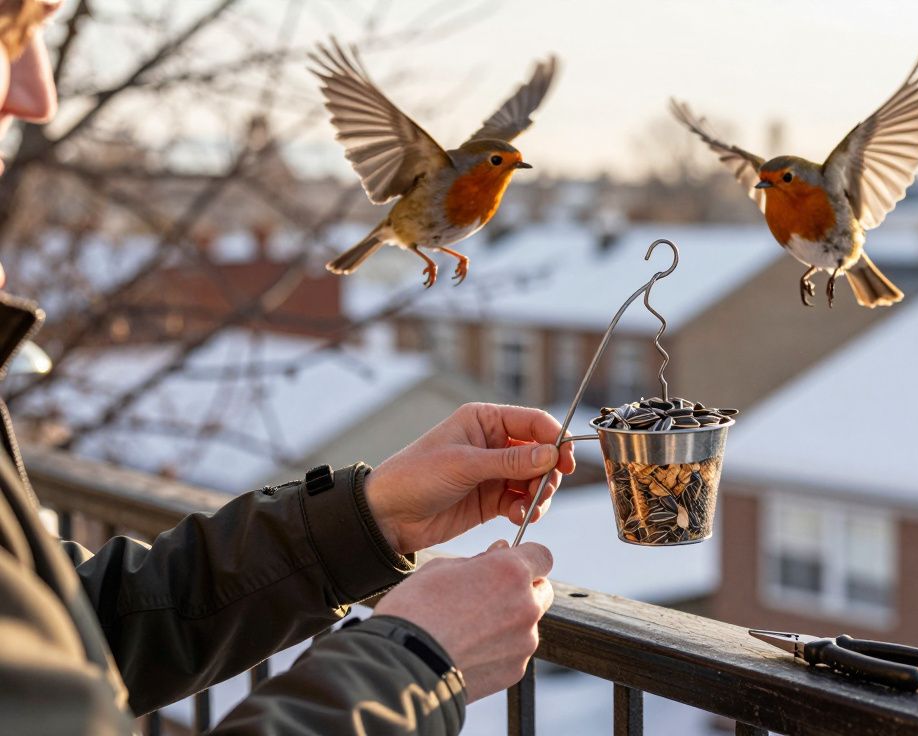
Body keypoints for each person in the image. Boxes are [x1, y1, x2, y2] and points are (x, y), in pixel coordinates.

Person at [0, 2, 575, 733]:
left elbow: (73, 626)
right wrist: (415, 663)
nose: (37, 95)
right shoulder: (439, 168)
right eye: (10, 30)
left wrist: (361, 522)